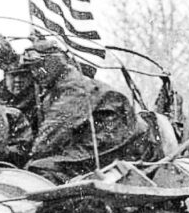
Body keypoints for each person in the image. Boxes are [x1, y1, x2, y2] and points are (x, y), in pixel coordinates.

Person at [24, 40, 152, 183]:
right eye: (32, 69)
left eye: (38, 66)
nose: (35, 73)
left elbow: (54, 131)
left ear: (53, 63)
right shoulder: (59, 87)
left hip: (114, 144)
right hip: (104, 142)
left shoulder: (73, 87)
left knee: (40, 168)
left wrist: (29, 157)